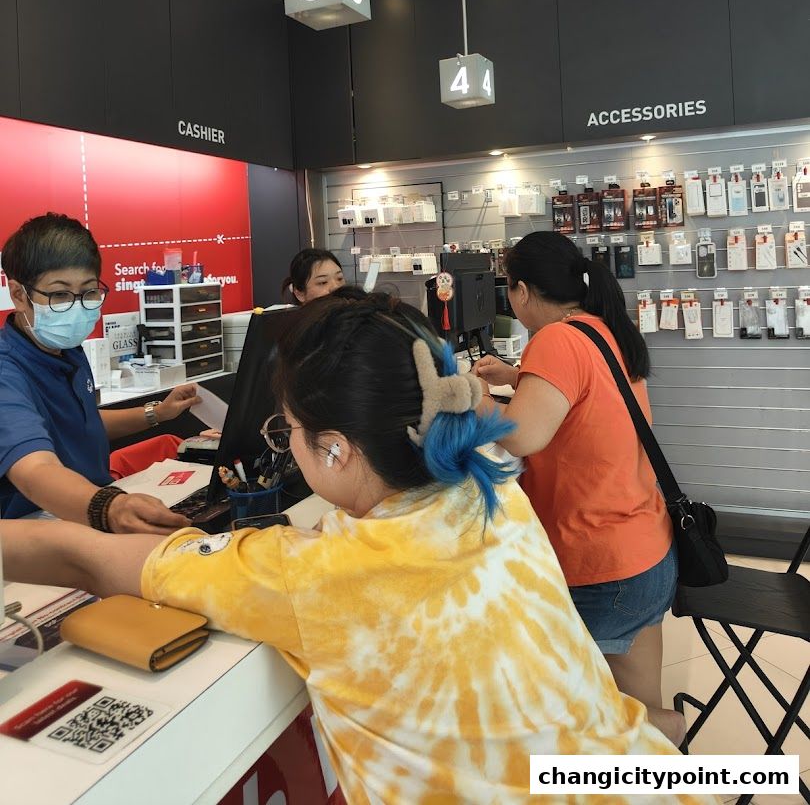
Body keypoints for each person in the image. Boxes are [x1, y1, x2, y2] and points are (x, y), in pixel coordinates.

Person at [1, 292, 716, 805]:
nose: (287, 444)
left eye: (287, 431)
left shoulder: (317, 579)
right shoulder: (489, 488)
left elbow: (84, 557)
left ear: (336, 448)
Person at [472, 231, 681, 743]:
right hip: (645, 550)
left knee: (581, 716)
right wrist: (518, 376)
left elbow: (522, 435)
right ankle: (667, 751)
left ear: (522, 291)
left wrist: (474, 398)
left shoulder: (555, 339)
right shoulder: (599, 327)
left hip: (600, 563)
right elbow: (586, 393)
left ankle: (671, 738)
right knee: (638, 713)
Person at [0, 213, 200, 532]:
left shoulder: (68, 350)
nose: (78, 306)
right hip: (36, 528)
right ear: (19, 295)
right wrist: (108, 507)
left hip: (92, 508)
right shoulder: (7, 371)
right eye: (60, 295)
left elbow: (82, 423)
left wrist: (158, 413)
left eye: (89, 292)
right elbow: (35, 469)